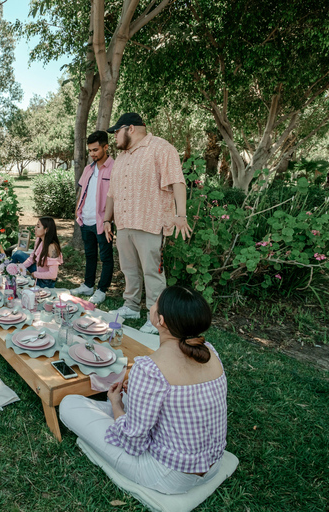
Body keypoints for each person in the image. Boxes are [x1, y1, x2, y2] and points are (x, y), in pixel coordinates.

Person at [59, 285, 227, 495]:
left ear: (161, 320)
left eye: (156, 301)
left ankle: (112, 409)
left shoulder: (149, 369)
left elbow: (133, 443)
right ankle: (121, 409)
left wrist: (116, 404)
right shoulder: (211, 352)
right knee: (128, 405)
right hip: (212, 466)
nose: (152, 304)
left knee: (69, 404)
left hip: (169, 476)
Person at [103, 112, 192, 334]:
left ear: (130, 128)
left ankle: (156, 314)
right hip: (124, 223)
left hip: (150, 222)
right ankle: (131, 306)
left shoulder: (161, 148)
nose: (115, 137)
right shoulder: (122, 156)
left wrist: (181, 215)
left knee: (152, 272)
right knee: (129, 269)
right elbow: (112, 193)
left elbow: (177, 182)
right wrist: (107, 219)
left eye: (116, 132)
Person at [71, 130, 115, 304]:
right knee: (90, 255)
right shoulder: (88, 168)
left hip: (103, 221)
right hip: (86, 219)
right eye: (90, 150)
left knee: (106, 257)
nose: (92, 154)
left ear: (106, 147)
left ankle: (102, 290)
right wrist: (77, 210)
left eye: (95, 150)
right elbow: (82, 189)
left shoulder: (115, 168)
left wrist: (109, 220)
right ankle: (88, 285)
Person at [11, 217, 63, 288]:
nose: (35, 229)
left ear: (46, 229)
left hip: (45, 282)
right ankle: (6, 272)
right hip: (38, 270)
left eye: (38, 227)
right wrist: (20, 267)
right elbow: (32, 258)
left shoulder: (52, 247)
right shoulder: (39, 239)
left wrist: (35, 274)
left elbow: (53, 275)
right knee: (18, 253)